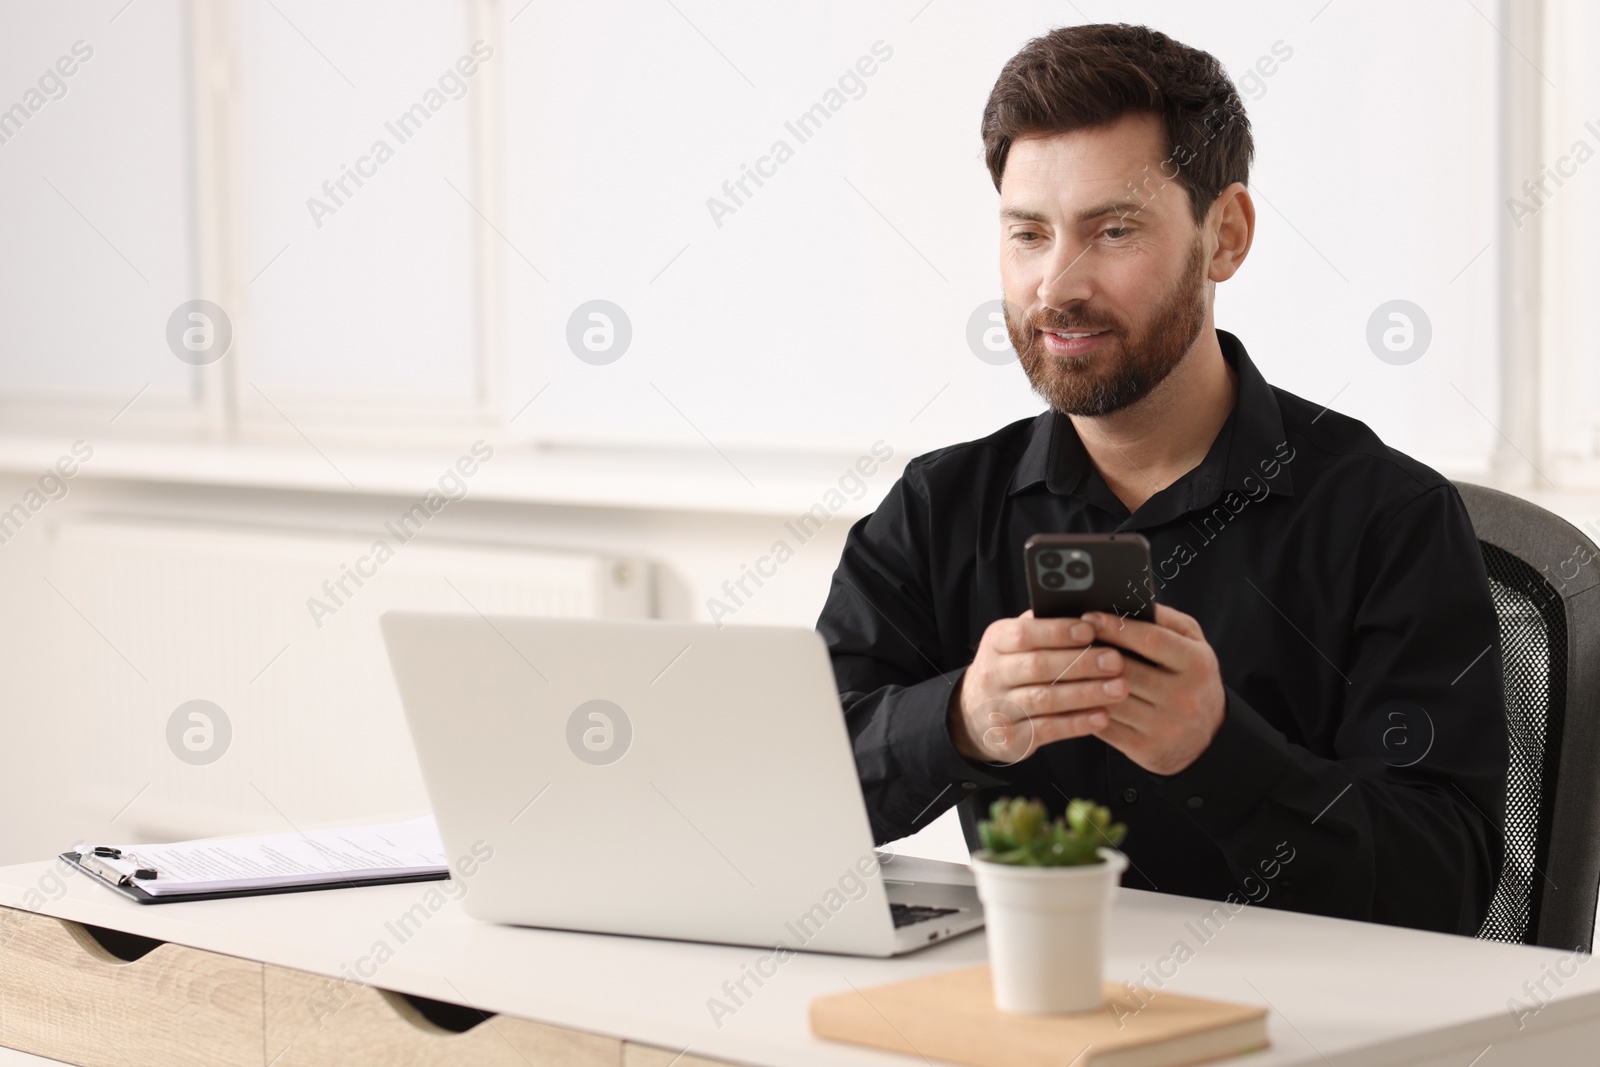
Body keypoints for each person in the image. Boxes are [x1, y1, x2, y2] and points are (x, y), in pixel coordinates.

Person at [815, 23, 1507, 936]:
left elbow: (1447, 889)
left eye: (1113, 230)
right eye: (1028, 233)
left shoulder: (1388, 519)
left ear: (1225, 236)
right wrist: (961, 719)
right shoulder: (939, 510)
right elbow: (789, 800)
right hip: (1028, 1020)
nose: (1057, 285)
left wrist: (1220, 754)